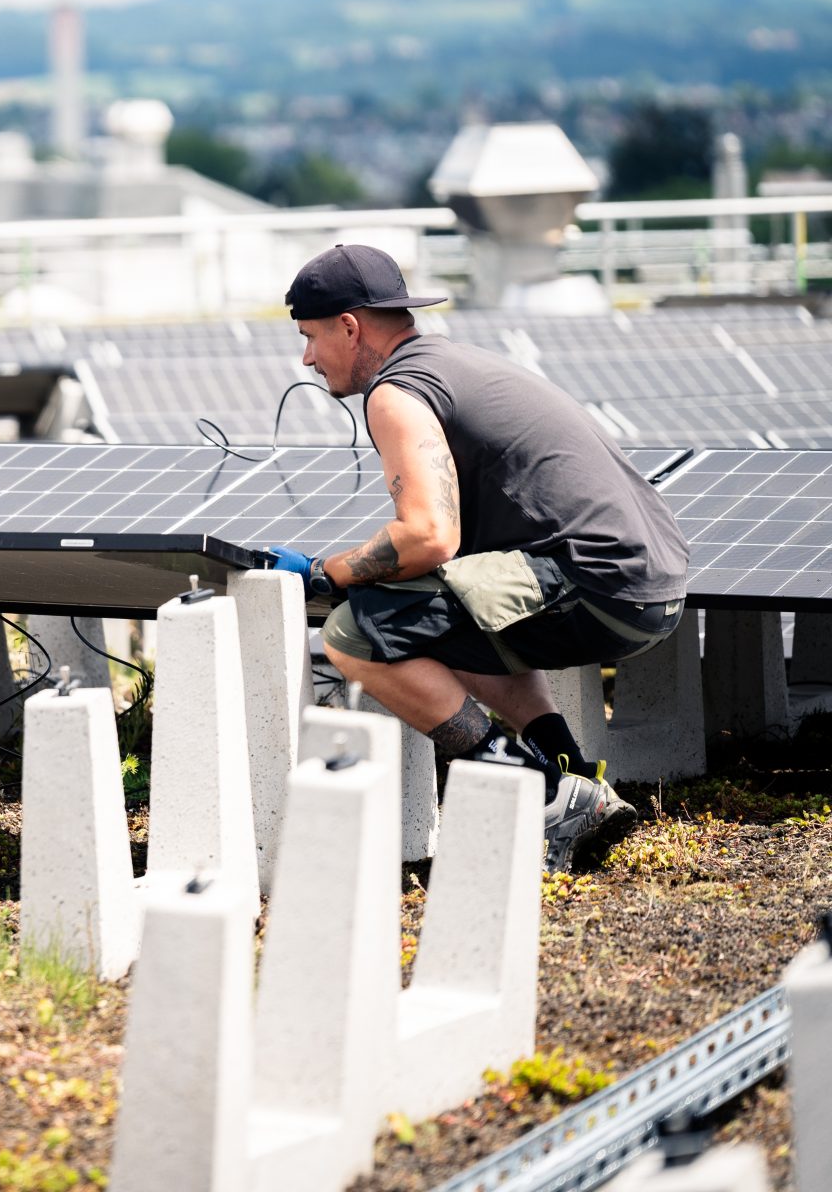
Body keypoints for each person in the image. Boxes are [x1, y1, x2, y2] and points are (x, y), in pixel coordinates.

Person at [259, 244, 689, 871]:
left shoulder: (395, 394)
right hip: (649, 582)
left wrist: (328, 572)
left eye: (310, 336)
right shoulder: (454, 364)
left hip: (598, 583)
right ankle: (572, 779)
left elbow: (429, 536)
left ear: (349, 327)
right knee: (448, 615)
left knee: (357, 634)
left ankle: (532, 794)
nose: (306, 357)